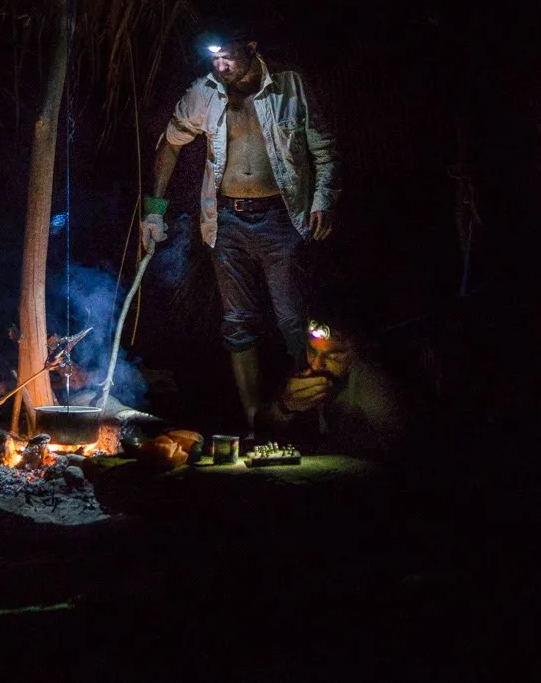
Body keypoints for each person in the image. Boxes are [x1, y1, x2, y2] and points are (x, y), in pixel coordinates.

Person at [141, 29, 338, 439]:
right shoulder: (205, 92)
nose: (220, 67)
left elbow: (324, 148)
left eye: (228, 57)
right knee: (236, 323)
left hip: (281, 219)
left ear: (252, 48)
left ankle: (315, 418)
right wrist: (154, 212)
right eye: (214, 58)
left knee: (293, 321)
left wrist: (322, 200)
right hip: (226, 220)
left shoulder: (290, 86)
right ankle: (255, 424)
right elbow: (171, 142)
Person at [263, 310, 410, 459]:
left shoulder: (376, 386)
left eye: (334, 354)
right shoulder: (305, 367)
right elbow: (263, 429)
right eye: (312, 350)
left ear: (360, 350)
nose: (316, 364)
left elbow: (397, 453)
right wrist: (284, 406)